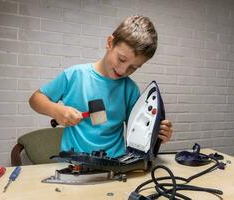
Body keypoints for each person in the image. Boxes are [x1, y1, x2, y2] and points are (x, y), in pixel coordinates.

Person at [29, 15, 173, 158]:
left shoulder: (130, 90)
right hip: (72, 164)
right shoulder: (74, 75)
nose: (123, 71)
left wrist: (156, 134)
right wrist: (56, 110)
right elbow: (35, 99)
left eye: (133, 68)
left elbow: (136, 133)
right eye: (121, 59)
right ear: (110, 43)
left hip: (116, 166)